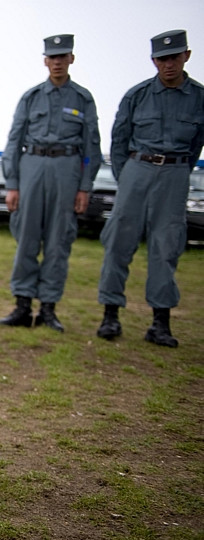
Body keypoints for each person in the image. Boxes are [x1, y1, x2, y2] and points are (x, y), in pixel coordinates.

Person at [97, 30, 204, 347]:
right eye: (162, 59)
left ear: (186, 56)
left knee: (166, 247)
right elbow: (118, 142)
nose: (168, 65)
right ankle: (110, 316)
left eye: (174, 57)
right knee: (118, 243)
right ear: (153, 61)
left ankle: (160, 324)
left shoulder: (199, 98)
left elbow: (197, 144)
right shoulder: (137, 95)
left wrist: (178, 170)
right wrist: (127, 176)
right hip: (136, 171)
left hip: (175, 174)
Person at [0, 34, 102, 332]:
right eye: (52, 57)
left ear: (71, 58)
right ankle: (21, 306)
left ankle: (48, 308)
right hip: (32, 168)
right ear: (45, 60)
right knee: (26, 240)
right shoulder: (31, 97)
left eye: (62, 56)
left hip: (67, 171)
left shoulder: (83, 99)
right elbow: (13, 141)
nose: (57, 62)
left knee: (59, 242)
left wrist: (85, 186)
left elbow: (91, 147)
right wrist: (13, 183)